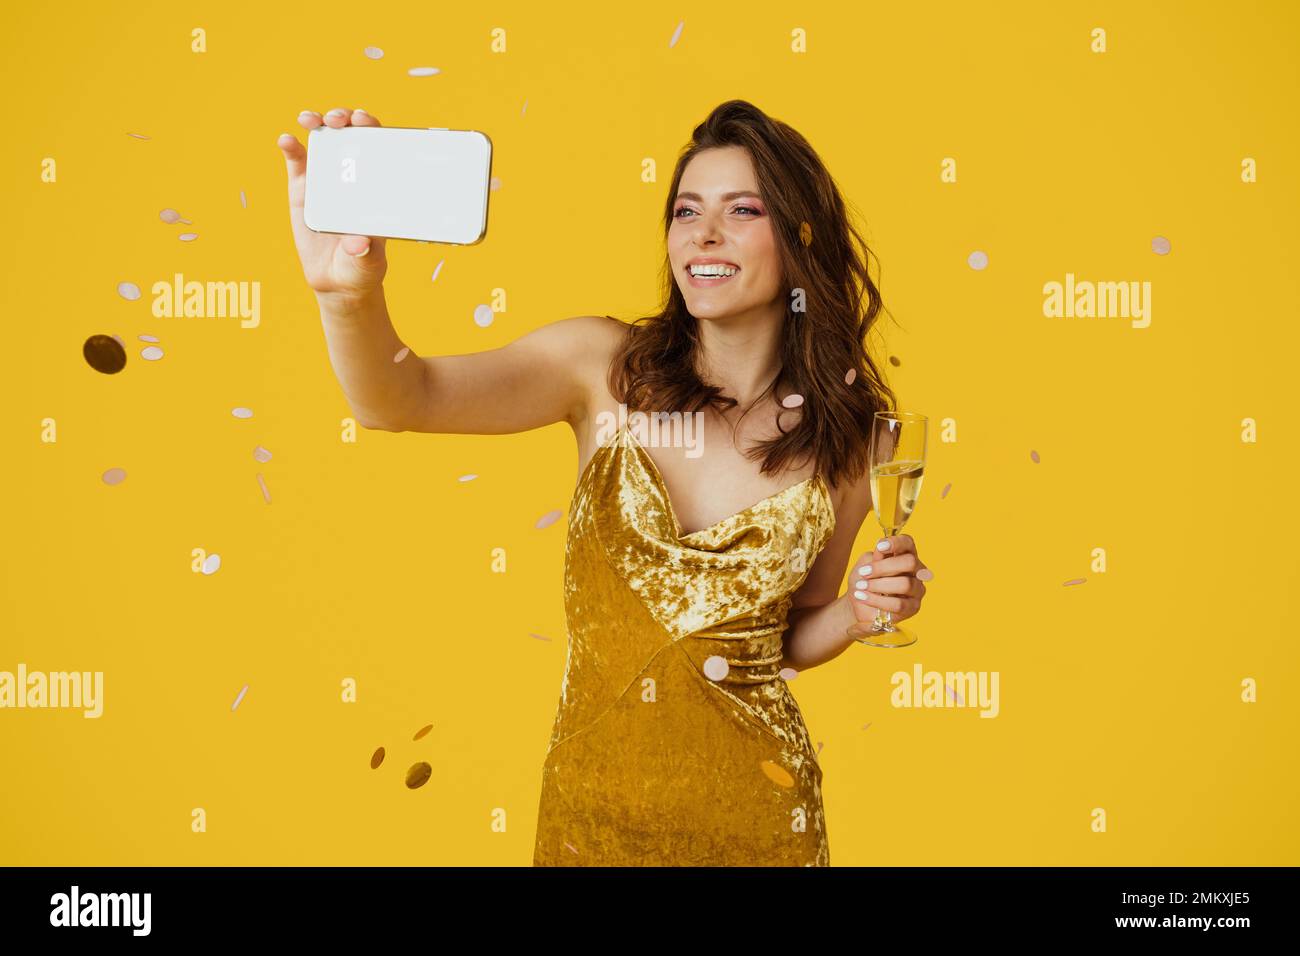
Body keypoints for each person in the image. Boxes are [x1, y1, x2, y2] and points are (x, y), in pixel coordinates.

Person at [276, 99, 931, 866]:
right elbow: (397, 400)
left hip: (760, 821)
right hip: (593, 820)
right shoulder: (598, 369)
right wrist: (346, 296)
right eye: (685, 212)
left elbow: (781, 642)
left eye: (740, 210)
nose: (702, 234)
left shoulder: (856, 440)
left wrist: (857, 614)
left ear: (799, 238)